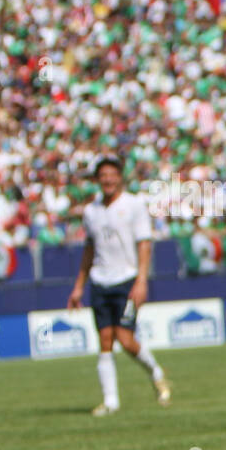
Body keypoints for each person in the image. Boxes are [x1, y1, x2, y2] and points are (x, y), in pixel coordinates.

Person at [66, 158, 171, 415]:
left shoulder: (134, 205)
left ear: (120, 177)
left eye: (112, 174)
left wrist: (141, 280)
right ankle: (111, 401)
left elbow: (144, 244)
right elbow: (89, 250)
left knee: (124, 339)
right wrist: (79, 286)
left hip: (127, 281)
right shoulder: (91, 212)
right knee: (104, 340)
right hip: (100, 281)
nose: (108, 179)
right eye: (103, 175)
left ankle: (156, 372)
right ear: (97, 180)